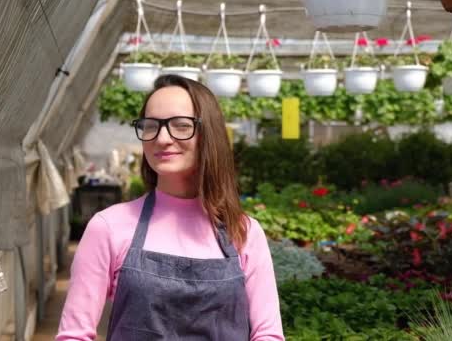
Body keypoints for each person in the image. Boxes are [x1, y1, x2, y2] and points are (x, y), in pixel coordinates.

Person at [56, 75, 285, 340]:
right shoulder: (108, 227)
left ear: (208, 134)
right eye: (151, 126)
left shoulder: (244, 231)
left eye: (180, 125)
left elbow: (268, 334)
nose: (162, 138)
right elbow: (74, 335)